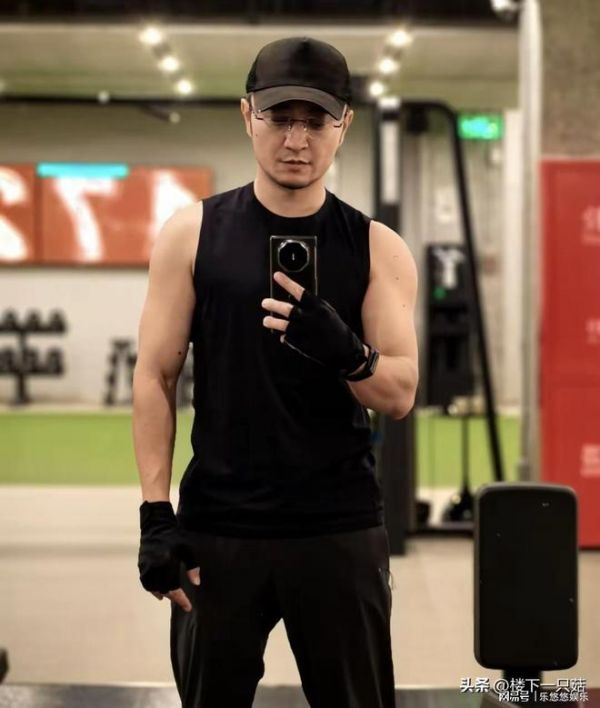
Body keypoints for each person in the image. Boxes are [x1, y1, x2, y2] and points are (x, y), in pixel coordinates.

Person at [132, 36, 419, 708]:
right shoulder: (191, 234)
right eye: (279, 118)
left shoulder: (376, 247)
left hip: (339, 526)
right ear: (247, 115)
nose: (296, 140)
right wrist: (155, 515)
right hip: (220, 529)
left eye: (316, 121)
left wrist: (347, 352)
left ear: (344, 125)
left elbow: (400, 393)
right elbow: (155, 376)